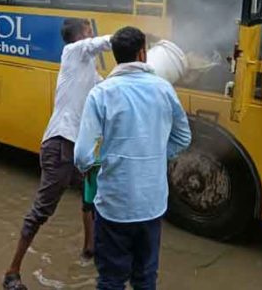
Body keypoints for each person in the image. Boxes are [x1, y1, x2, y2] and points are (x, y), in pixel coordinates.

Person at [74, 26, 191, 290]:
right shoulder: (164, 89)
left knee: (111, 280)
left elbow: (81, 155)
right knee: (145, 278)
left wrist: (100, 166)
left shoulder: (101, 93)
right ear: (142, 53)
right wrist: (157, 157)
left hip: (114, 205)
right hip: (152, 205)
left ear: (115, 55)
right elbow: (183, 138)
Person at [3, 19, 112, 290]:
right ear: (82, 35)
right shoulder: (73, 52)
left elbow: (107, 88)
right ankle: (11, 273)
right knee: (41, 211)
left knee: (92, 196)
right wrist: (133, 38)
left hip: (77, 147)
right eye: (89, 30)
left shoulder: (88, 71)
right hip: (61, 145)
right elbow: (102, 43)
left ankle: (89, 248)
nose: (92, 33)